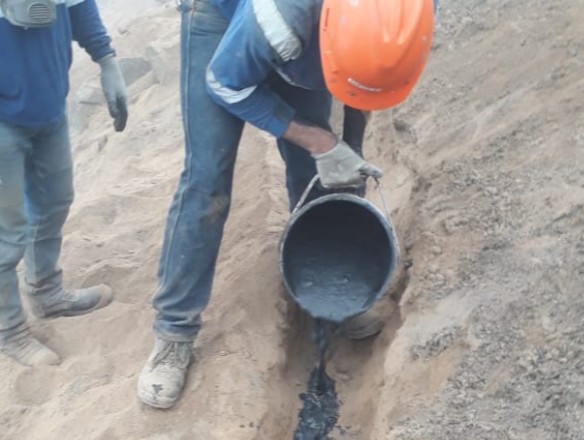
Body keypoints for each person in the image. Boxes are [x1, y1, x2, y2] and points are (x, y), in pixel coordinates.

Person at [138, 0, 434, 409]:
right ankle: (174, 331)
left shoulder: (407, 17)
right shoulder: (282, 16)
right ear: (334, 37)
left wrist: (349, 150)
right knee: (207, 183)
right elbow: (225, 84)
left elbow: (366, 82)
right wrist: (321, 141)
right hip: (221, 21)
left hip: (310, 40)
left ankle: (330, 283)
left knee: (317, 169)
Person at [0, 0, 128, 366]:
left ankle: (46, 294)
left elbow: (78, 4)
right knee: (7, 232)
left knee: (54, 201)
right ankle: (11, 331)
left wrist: (106, 60)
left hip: (48, 103)